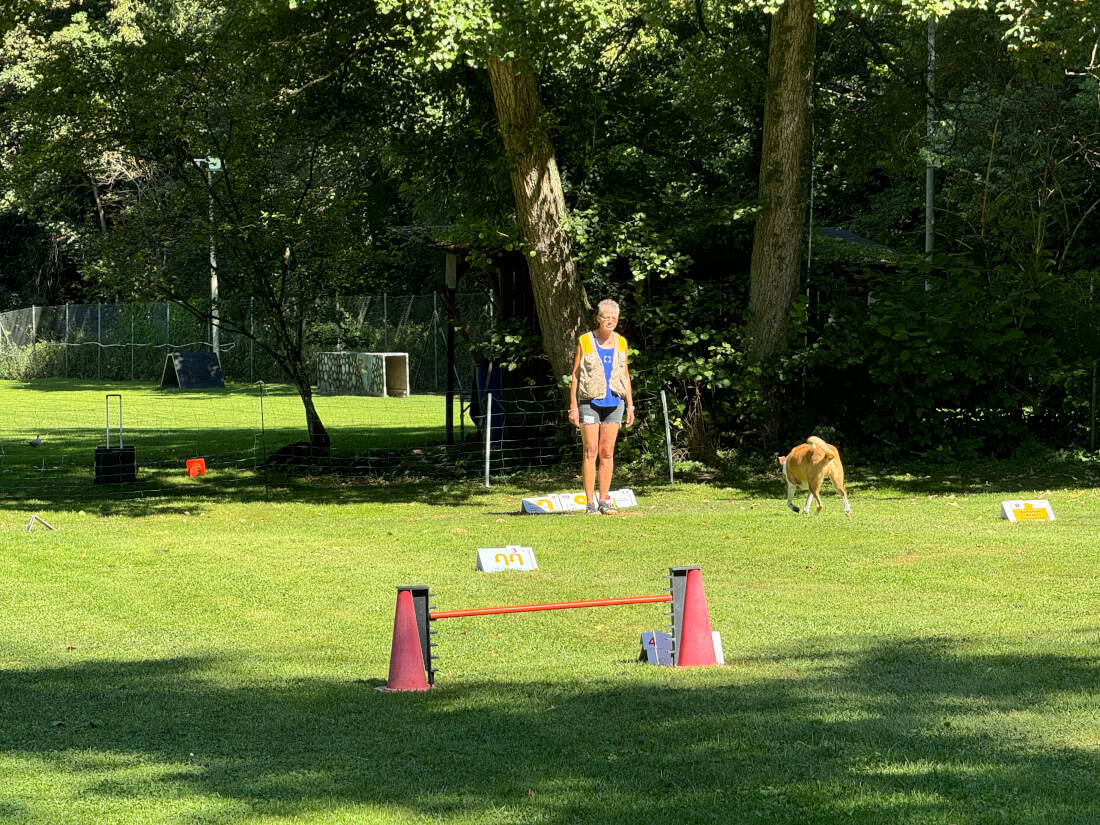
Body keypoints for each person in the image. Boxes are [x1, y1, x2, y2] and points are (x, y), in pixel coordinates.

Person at [568, 299, 635, 515]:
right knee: (590, 450)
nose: (611, 321)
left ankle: (604, 501)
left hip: (615, 402)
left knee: (607, 452)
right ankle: (590, 503)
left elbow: (625, 375)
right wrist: (573, 406)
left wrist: (630, 405)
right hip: (589, 402)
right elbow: (576, 374)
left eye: (614, 318)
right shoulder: (585, 340)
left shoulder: (622, 342)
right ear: (598, 318)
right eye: (607, 317)